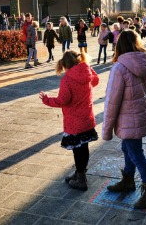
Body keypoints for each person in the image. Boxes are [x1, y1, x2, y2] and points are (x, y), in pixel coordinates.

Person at [102, 30, 146, 209]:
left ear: (119, 45)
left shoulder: (120, 67)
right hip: (137, 113)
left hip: (128, 117)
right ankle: (128, 180)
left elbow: (112, 100)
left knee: (135, 153)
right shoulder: (142, 61)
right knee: (128, 148)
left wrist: (106, 129)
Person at [39, 50, 99, 191]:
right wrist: (87, 67)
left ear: (65, 65)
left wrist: (47, 99)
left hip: (74, 121)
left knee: (77, 150)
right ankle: (79, 173)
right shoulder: (87, 70)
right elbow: (95, 81)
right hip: (87, 117)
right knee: (84, 147)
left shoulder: (67, 79)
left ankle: (81, 179)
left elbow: (63, 100)